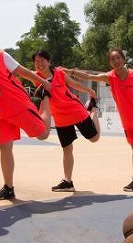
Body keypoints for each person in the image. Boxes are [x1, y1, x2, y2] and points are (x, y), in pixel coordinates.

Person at [0, 26, 52, 200]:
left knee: (43, 134)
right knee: (5, 148)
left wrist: (42, 82)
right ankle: (8, 187)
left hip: (18, 104)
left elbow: (22, 71)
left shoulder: (0, 55)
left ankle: (45, 100)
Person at [67, 49, 133, 191]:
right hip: (127, 121)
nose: (116, 61)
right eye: (113, 59)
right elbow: (88, 76)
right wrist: (70, 71)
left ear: (123, 59)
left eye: (118, 58)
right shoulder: (110, 77)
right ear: (110, 62)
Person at [32, 49, 101, 191]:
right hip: (60, 119)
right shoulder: (36, 78)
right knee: (67, 149)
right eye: (37, 61)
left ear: (49, 61)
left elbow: (75, 84)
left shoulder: (59, 74)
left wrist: (90, 92)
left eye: (42, 60)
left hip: (75, 111)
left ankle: (93, 110)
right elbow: (17, 72)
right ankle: (68, 181)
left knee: (94, 138)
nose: (40, 64)